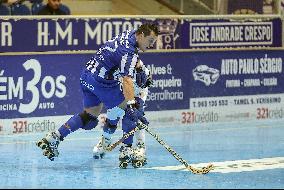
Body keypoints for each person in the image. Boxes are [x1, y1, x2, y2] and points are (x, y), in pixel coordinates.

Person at [36, 23, 159, 162]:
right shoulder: (128, 52)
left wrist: (139, 66)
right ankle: (127, 149)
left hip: (87, 76)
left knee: (90, 117)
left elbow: (123, 57)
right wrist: (131, 106)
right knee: (128, 109)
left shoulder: (129, 34)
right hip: (102, 84)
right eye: (150, 41)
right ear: (141, 35)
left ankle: (54, 137)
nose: (151, 45)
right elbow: (127, 80)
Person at [93, 58, 153, 168]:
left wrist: (137, 110)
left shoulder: (143, 73)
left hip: (136, 93)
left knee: (134, 118)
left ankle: (139, 146)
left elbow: (141, 92)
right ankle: (105, 140)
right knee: (112, 118)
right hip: (119, 93)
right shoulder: (114, 66)